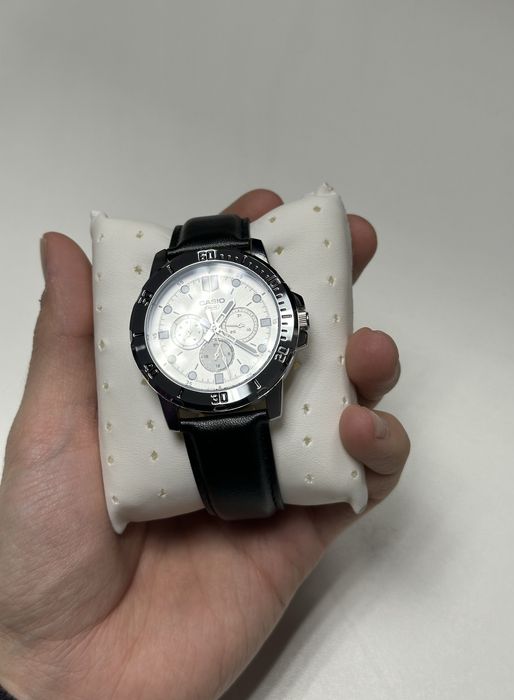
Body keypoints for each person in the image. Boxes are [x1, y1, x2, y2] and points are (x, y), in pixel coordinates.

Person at [0, 189, 410, 700]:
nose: (214, 324)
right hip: (188, 403)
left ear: (295, 321)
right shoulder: (168, 346)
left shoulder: (259, 296)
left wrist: (24, 667)